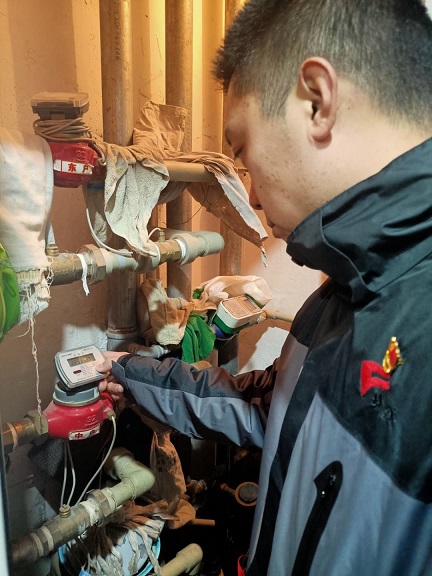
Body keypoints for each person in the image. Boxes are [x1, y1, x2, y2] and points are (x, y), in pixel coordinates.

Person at [98, 1, 432, 573]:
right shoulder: (336, 298)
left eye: (242, 148)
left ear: (316, 101)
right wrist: (128, 372)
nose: (250, 194)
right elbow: (265, 408)